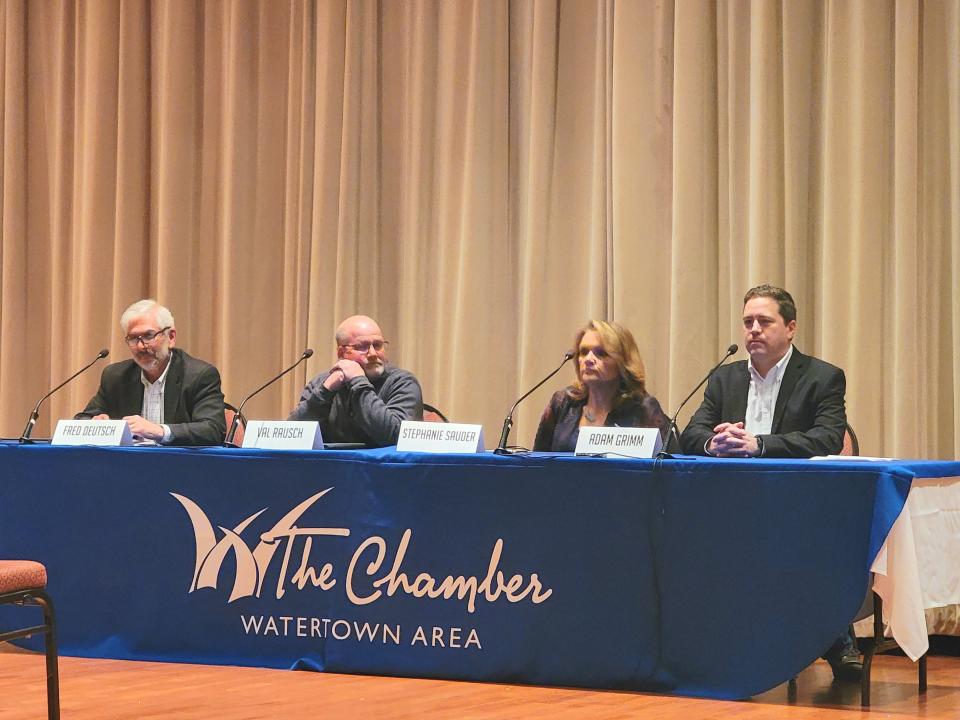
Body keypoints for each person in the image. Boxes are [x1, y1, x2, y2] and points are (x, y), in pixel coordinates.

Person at [679, 284, 858, 681]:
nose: (753, 330)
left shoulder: (822, 377)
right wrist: (715, 441)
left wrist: (760, 445)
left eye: (764, 321)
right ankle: (713, 639)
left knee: (809, 540)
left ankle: (836, 638)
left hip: (797, 502)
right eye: (748, 323)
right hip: (729, 505)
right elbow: (688, 434)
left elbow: (829, 437)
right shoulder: (723, 379)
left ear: (790, 328)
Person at [76, 299, 226, 446]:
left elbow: (212, 430)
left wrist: (159, 431)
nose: (141, 346)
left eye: (149, 336)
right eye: (134, 338)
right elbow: (81, 421)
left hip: (178, 465)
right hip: (128, 465)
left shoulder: (199, 375)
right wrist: (94, 424)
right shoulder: (116, 376)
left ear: (171, 337)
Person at [533, 320, 670, 452]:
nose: (588, 359)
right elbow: (535, 464)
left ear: (622, 362)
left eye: (601, 353)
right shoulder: (563, 403)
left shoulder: (644, 409)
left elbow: (676, 465)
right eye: (584, 352)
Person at [288, 315, 422, 446]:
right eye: (362, 347)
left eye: (377, 345)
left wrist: (358, 381)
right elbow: (294, 435)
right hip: (331, 466)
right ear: (341, 353)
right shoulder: (322, 383)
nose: (373, 353)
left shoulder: (402, 382)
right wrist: (325, 391)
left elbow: (397, 437)